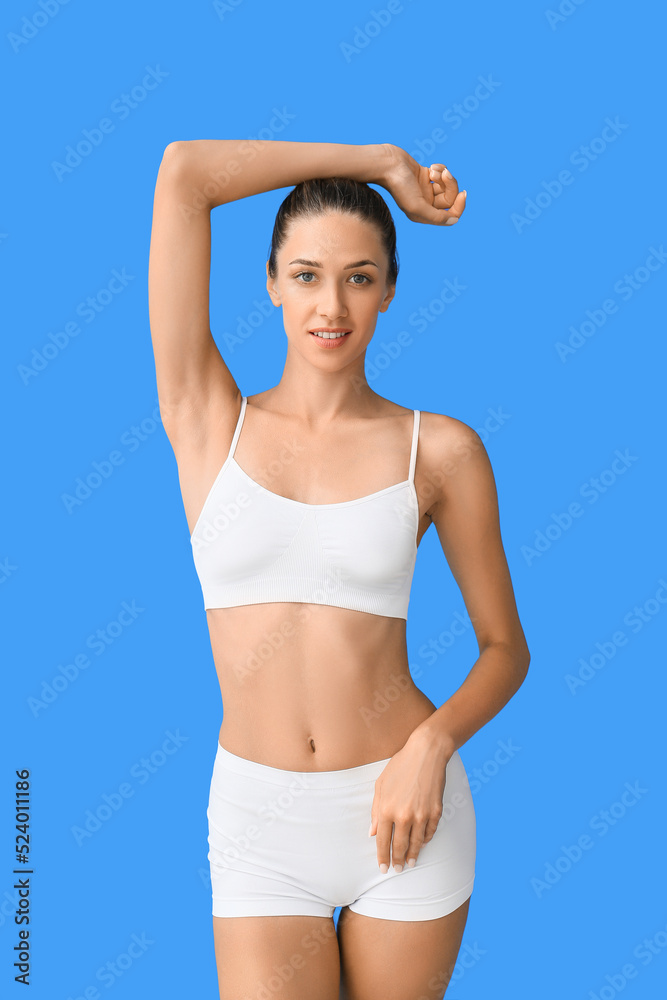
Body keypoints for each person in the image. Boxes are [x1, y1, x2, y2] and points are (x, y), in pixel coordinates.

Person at [148, 139, 530, 1000]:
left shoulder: (439, 449)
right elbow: (183, 175)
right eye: (308, 274)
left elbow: (505, 647)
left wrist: (430, 746)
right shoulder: (207, 421)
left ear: (390, 291)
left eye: (359, 276)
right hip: (259, 823)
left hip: (402, 813)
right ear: (274, 283)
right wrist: (382, 162)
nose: (333, 304)